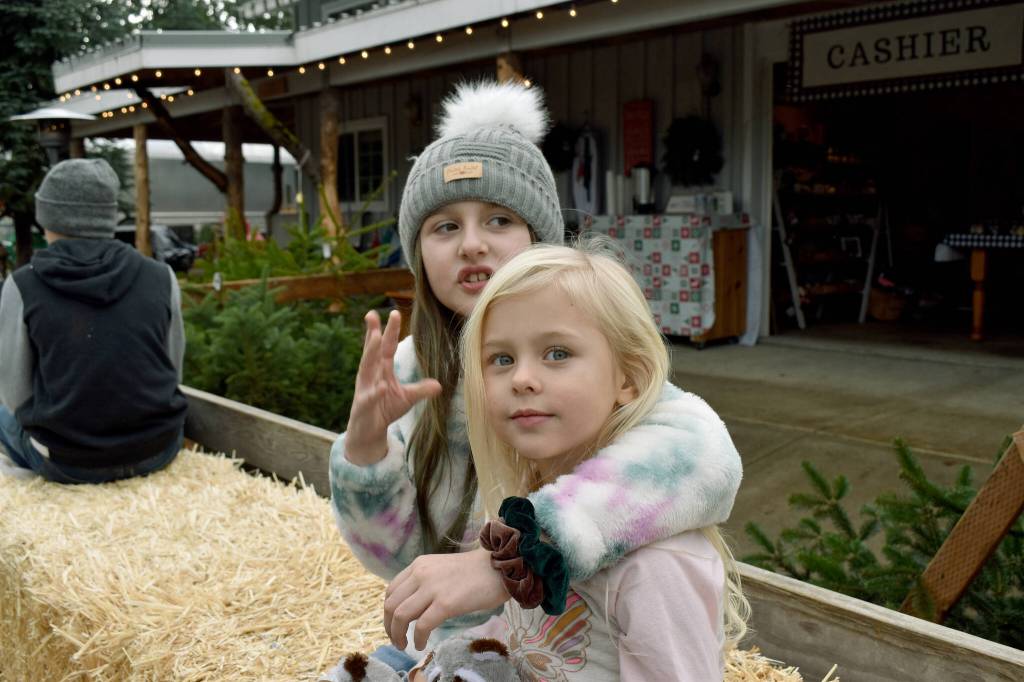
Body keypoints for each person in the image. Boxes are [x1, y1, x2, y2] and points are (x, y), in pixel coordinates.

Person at [329, 81, 742, 665]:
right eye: (444, 226)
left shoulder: (588, 351)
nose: (471, 244)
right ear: (418, 253)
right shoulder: (411, 371)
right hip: (465, 648)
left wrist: (513, 560)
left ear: (540, 241)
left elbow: (702, 457)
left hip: (568, 647)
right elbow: (400, 560)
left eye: (499, 219)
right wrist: (367, 450)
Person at [401, 241, 747, 681]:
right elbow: (519, 640)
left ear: (631, 379)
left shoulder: (657, 565)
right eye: (501, 359)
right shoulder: (532, 506)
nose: (523, 378)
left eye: (557, 353)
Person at [0, 158, 187, 483]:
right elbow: (172, 367)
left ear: (47, 215)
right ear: (107, 215)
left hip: (66, 463)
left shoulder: (22, 285)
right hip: (157, 451)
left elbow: (15, 392)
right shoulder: (161, 276)